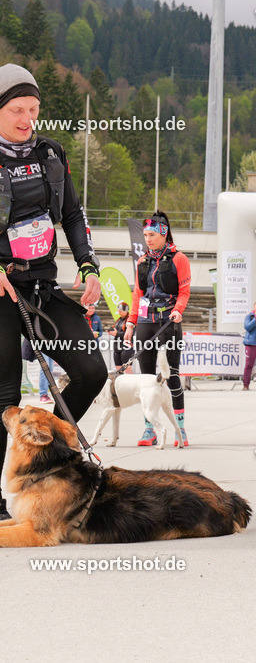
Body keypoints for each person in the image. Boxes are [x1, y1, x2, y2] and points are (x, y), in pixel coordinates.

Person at [0, 63, 108, 521]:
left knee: (91, 371)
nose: (27, 119)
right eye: (17, 110)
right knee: (3, 395)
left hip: (43, 286)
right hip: (3, 290)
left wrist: (89, 266)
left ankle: (51, 455)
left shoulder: (50, 153)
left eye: (34, 109)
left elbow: (72, 213)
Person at [124, 210, 191, 446]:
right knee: (146, 378)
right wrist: (131, 322)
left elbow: (184, 291)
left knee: (171, 374)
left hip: (169, 321)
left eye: (152, 234)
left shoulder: (179, 258)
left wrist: (178, 310)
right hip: (145, 321)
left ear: (163, 234)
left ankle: (179, 428)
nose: (148, 239)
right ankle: (149, 429)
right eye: (145, 235)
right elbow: (137, 294)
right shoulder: (143, 261)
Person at [109, 301, 133, 370]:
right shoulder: (119, 320)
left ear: (126, 311)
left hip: (126, 348)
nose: (119, 313)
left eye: (121, 312)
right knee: (118, 370)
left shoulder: (130, 321)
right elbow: (114, 328)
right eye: (118, 311)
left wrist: (117, 334)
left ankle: (130, 381)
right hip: (117, 347)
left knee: (128, 370)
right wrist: (110, 330)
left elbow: (131, 334)